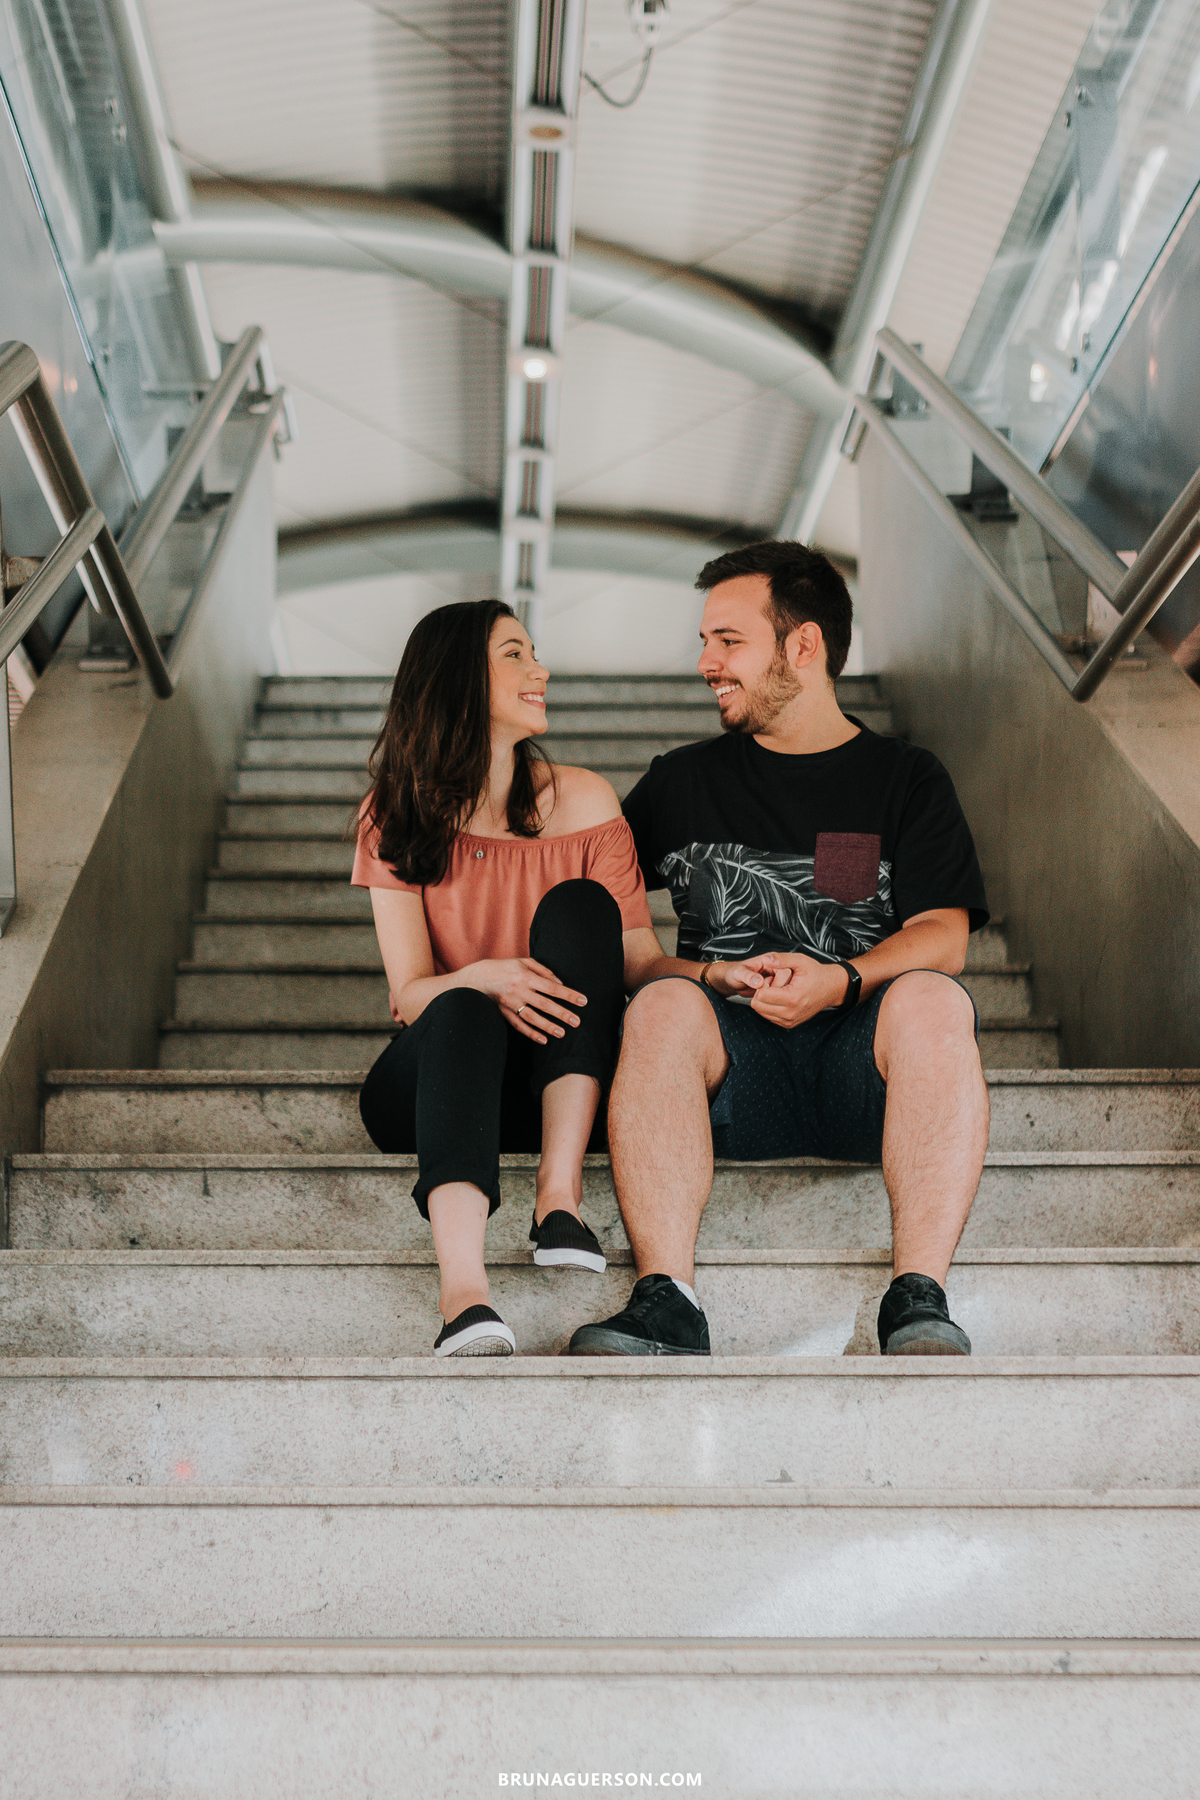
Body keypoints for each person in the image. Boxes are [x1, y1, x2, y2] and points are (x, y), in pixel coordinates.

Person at [567, 540, 990, 1359]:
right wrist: (701, 974)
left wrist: (840, 982)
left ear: (805, 646)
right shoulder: (681, 782)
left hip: (860, 1070)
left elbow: (946, 933)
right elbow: (604, 918)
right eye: (703, 641)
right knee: (658, 1004)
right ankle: (667, 1302)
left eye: (728, 640)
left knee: (936, 995)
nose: (704, 663)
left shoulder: (904, 777)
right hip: (727, 1080)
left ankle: (918, 1296)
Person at [354, 599, 654, 1357]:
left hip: (562, 1083)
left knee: (582, 907)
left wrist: (723, 980)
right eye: (515, 654)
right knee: (460, 1007)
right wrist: (485, 977)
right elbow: (410, 993)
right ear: (458, 677)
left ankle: (559, 1197)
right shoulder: (395, 813)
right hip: (444, 1085)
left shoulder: (585, 800)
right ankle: (464, 1296)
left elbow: (640, 961)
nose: (540, 670)